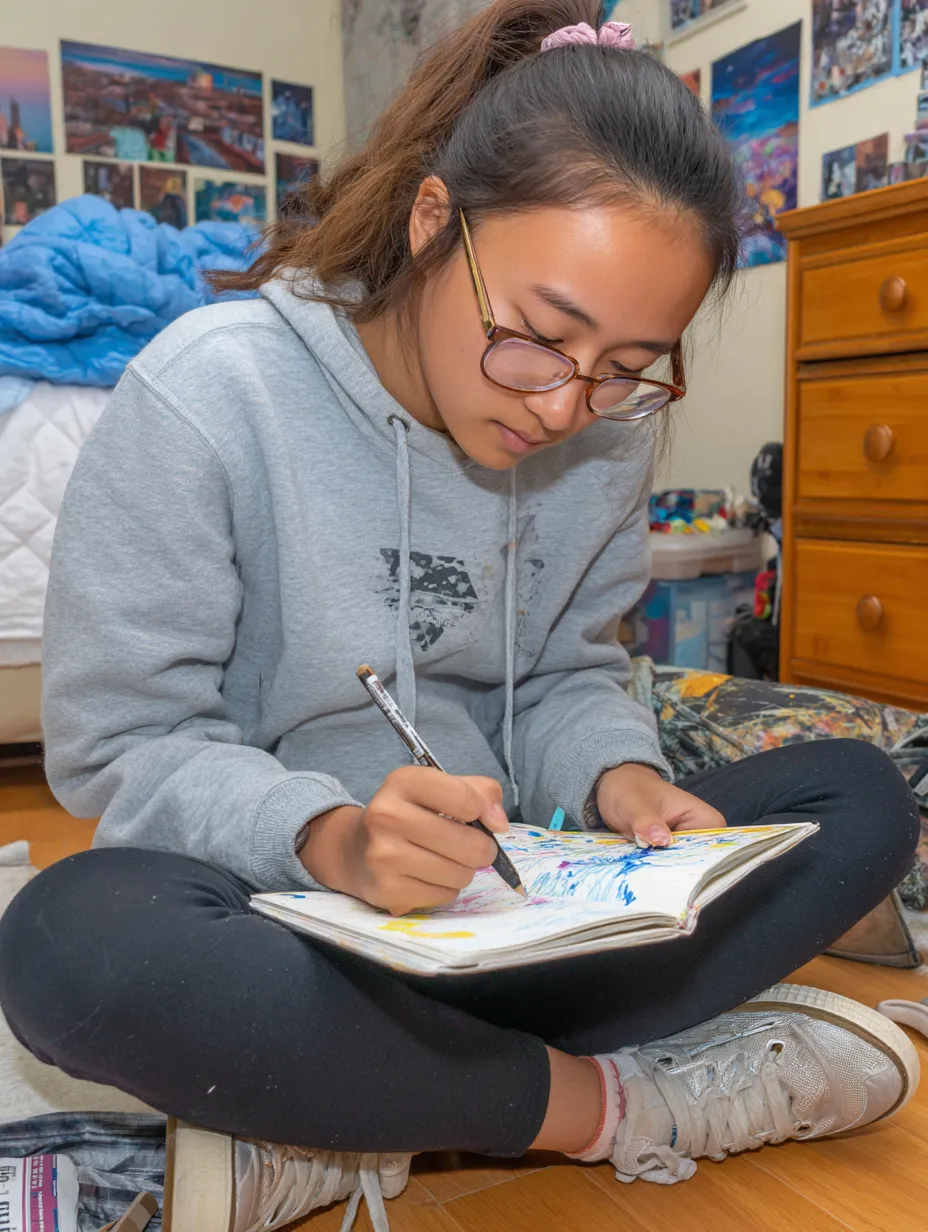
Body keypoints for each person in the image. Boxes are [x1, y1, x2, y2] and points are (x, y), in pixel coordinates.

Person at [0, 3, 920, 1230]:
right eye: (538, 339)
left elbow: (566, 676)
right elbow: (120, 748)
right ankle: (611, 1104)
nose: (565, 404)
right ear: (435, 223)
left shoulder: (602, 432)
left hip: (513, 907)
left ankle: (360, 1101)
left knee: (861, 796)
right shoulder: (208, 392)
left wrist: (618, 782)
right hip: (290, 916)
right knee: (68, 940)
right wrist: (328, 833)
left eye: (626, 362)